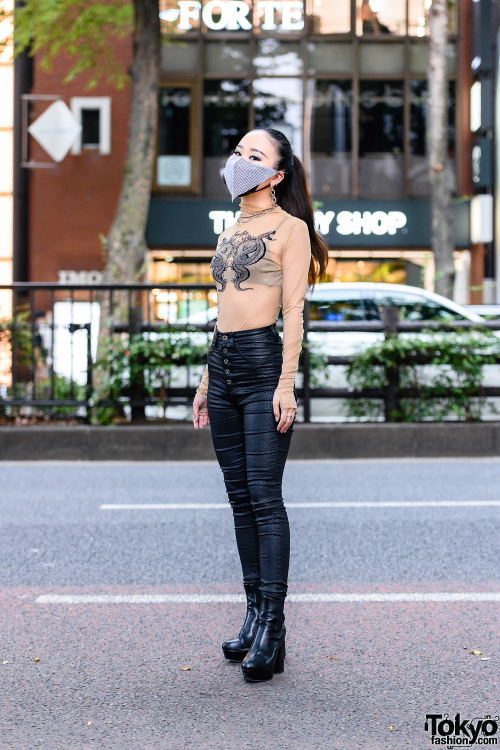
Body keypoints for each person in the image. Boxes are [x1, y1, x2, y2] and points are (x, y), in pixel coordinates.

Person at [192, 127, 328, 682]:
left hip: (262, 366)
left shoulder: (289, 229)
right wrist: (205, 382)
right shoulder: (230, 230)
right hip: (223, 365)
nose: (239, 162)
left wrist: (286, 383)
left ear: (275, 175)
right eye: (238, 152)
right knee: (239, 498)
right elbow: (224, 311)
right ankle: (252, 613)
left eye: (254, 156)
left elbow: (293, 310)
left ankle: (273, 625)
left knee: (265, 496)